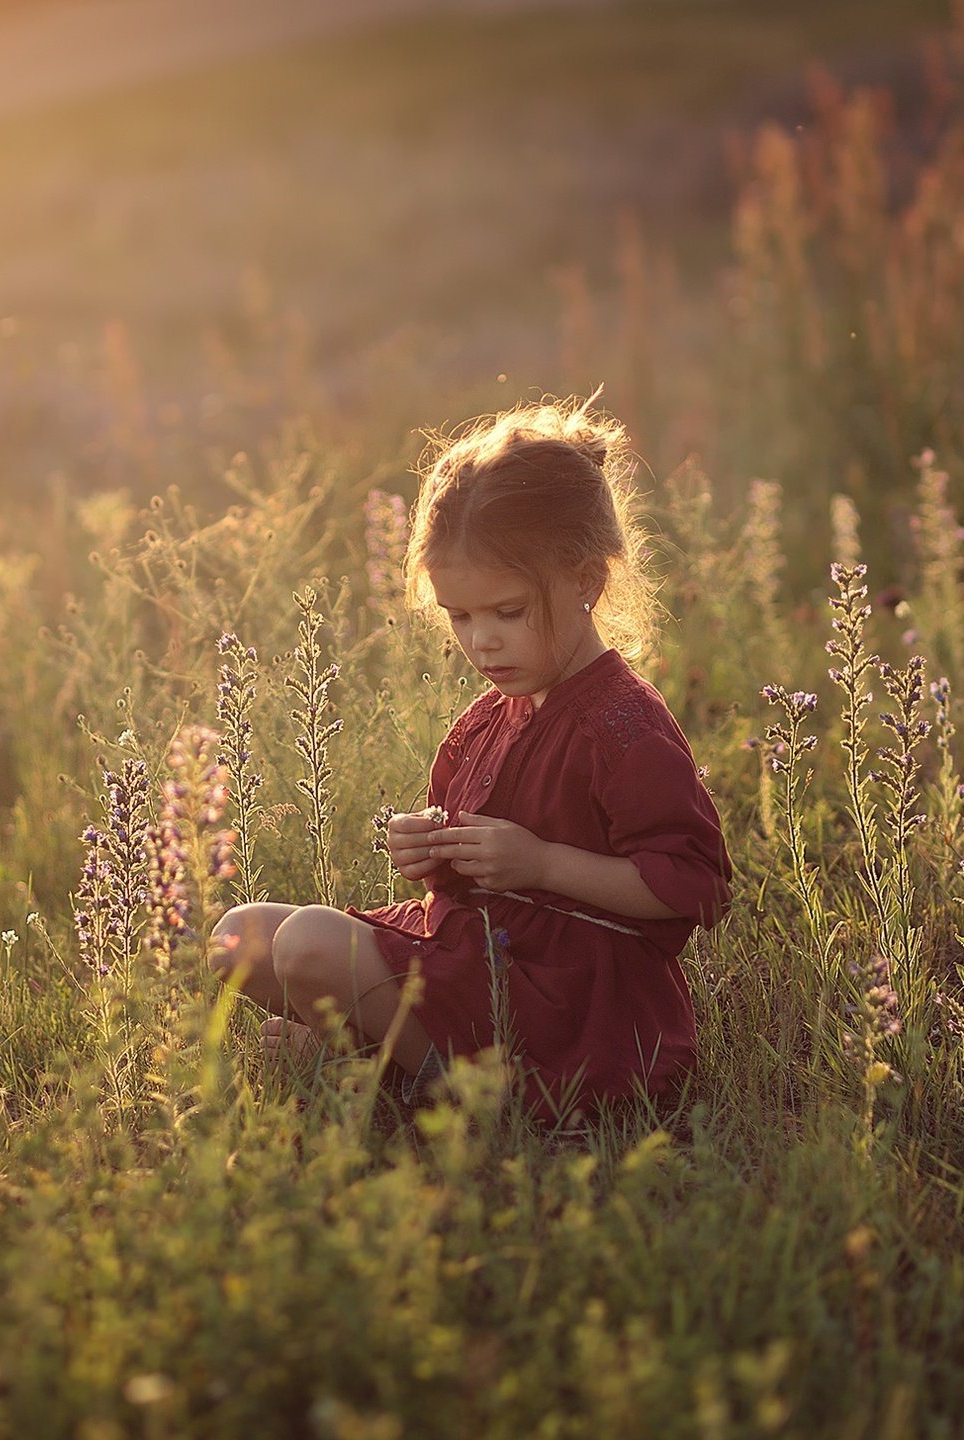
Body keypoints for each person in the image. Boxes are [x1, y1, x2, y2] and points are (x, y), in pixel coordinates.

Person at [210, 397, 730, 1123]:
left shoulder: (623, 725)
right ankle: (399, 1055)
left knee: (307, 945)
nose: (482, 642)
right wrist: (429, 854)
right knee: (241, 936)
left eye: (507, 612)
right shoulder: (487, 719)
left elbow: (695, 887)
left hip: (572, 1002)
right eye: (460, 616)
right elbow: (464, 888)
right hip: (482, 959)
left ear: (585, 581)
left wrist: (542, 863)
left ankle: (482, 1099)